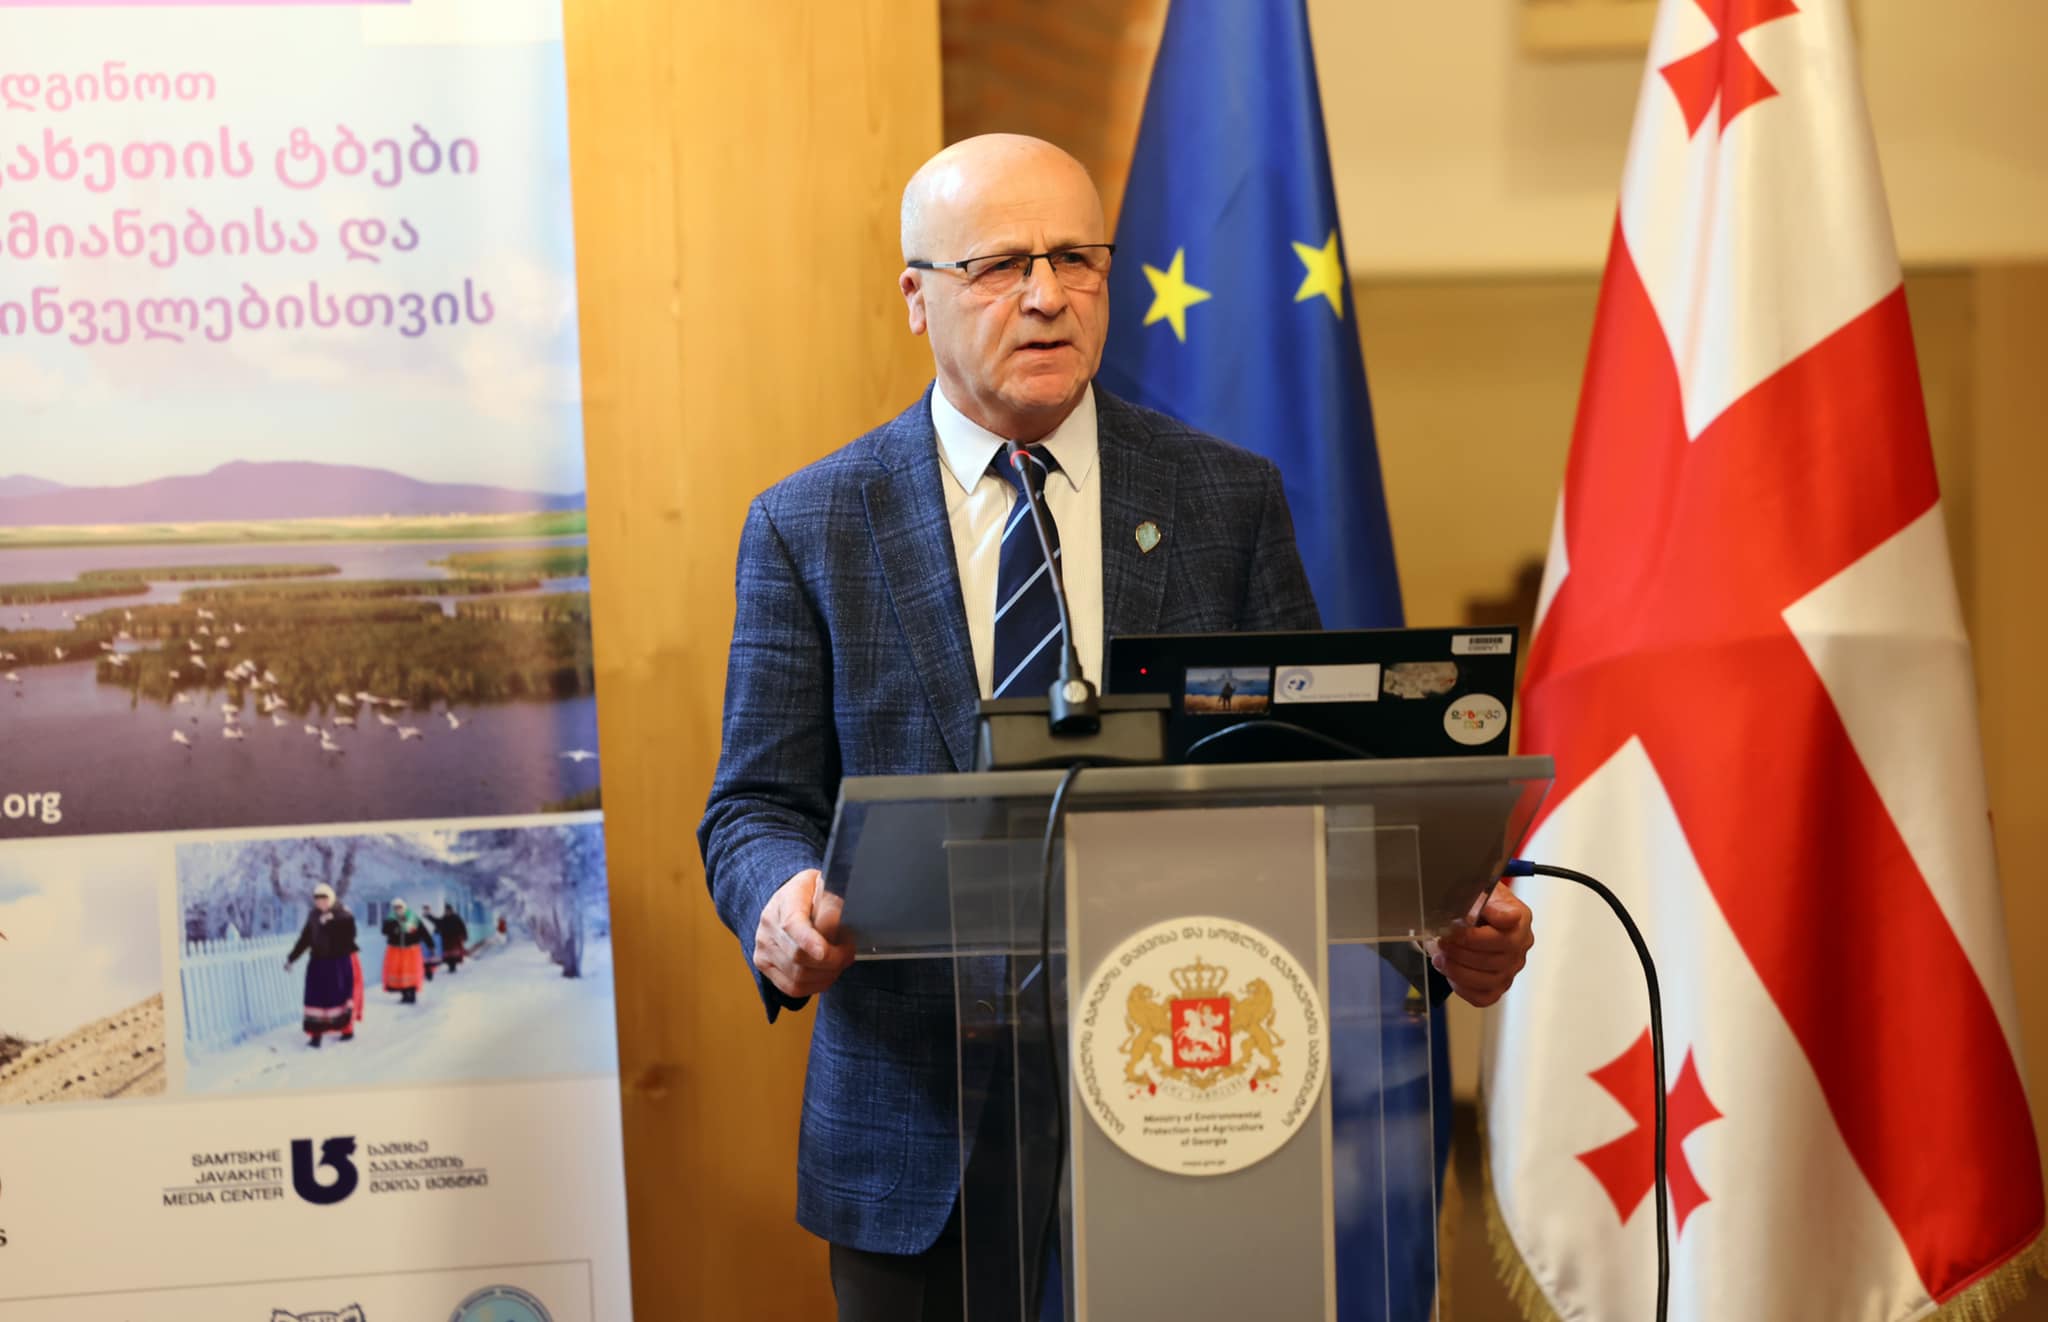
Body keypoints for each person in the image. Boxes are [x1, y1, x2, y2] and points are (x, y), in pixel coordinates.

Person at [699, 134, 1536, 1321]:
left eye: (1075, 258)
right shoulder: (810, 523)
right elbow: (754, 804)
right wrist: (779, 902)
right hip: (922, 1136)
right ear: (916, 295)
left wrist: (1433, 923)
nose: (1046, 294)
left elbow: (1313, 789)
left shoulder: (1222, 497)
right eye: (1000, 265)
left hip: (1196, 1092)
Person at [283, 883, 361, 1048]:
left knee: (339, 997)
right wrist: (292, 958)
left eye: (324, 898)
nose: (321, 902)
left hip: (338, 963)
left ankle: (346, 1029)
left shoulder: (343, 914)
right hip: (318, 963)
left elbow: (350, 936)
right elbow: (305, 939)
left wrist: (332, 923)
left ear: (331, 898)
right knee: (315, 998)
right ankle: (315, 1035)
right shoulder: (313, 916)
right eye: (317, 899)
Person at [380, 898, 432, 1005]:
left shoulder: (413, 918)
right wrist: (394, 928)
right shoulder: (390, 919)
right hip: (396, 950)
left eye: (399, 907)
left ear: (404, 907)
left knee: (411, 972)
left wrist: (430, 944)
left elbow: (423, 932)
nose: (398, 909)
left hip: (411, 950)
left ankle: (412, 995)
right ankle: (404, 995)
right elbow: (384, 931)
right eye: (395, 907)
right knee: (400, 973)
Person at [432, 902, 471, 974]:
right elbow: (439, 924)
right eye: (446, 911)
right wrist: (436, 931)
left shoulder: (456, 918)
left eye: (448, 910)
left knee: (454, 954)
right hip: (446, 940)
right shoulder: (444, 918)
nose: (447, 912)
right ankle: (451, 966)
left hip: (454, 939)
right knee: (448, 955)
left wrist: (465, 936)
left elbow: (462, 927)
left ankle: (453, 967)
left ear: (451, 910)